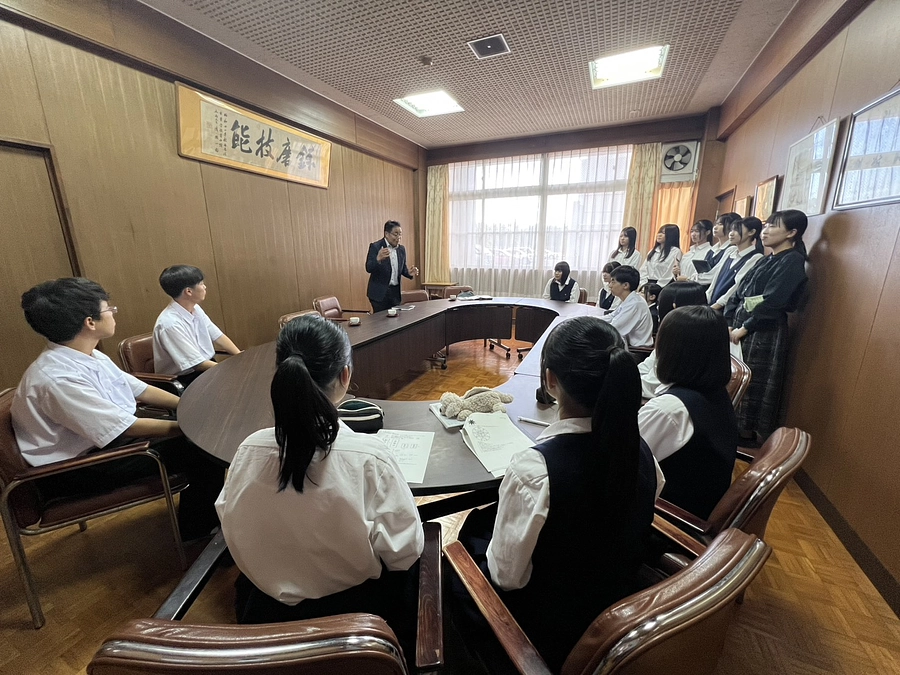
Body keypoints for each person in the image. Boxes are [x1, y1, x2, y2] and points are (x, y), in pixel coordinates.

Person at [455, 317, 660, 671]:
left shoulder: (534, 470)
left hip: (546, 631)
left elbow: (506, 578)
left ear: (550, 380)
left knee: (456, 556)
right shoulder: (640, 449)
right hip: (613, 609)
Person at [216, 315, 423, 637]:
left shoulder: (247, 450)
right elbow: (404, 553)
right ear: (345, 375)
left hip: (263, 612)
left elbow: (229, 519)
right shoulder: (369, 457)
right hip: (357, 617)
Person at [11, 277, 222, 540]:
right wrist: (193, 427)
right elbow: (125, 426)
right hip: (76, 469)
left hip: (101, 444)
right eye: (108, 309)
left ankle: (205, 518)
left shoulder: (87, 354)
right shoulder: (56, 378)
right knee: (201, 449)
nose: (112, 313)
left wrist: (190, 407)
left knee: (198, 437)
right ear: (90, 322)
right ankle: (199, 531)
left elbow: (139, 389)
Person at [639, 305, 738, 519]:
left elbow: (612, 462)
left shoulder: (669, 410)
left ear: (672, 352)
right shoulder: (715, 394)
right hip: (695, 508)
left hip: (666, 523)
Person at [724, 210, 808, 443]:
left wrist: (745, 327)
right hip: (741, 328)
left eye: (774, 226)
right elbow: (740, 291)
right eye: (766, 225)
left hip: (763, 332)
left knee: (754, 383)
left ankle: (746, 436)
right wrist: (731, 321)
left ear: (792, 233)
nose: (766, 230)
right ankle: (734, 429)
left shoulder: (792, 260)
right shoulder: (767, 258)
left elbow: (774, 300)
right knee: (735, 377)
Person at [153, 265, 241, 383]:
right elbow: (197, 364)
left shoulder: (196, 309)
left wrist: (239, 356)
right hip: (183, 379)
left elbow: (217, 336)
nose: (204, 287)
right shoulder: (170, 324)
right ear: (188, 291)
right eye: (201, 284)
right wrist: (228, 371)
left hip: (207, 367)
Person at [637, 281, 708, 399]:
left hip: (667, 399)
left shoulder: (683, 340)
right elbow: (647, 366)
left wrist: (625, 381)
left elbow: (654, 387)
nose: (658, 307)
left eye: (660, 303)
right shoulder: (677, 332)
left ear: (674, 306)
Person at [707, 217, 765, 310]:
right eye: (731, 229)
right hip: (712, 304)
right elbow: (716, 277)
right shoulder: (731, 250)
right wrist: (708, 298)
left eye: (737, 230)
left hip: (727, 308)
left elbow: (737, 286)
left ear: (751, 232)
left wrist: (717, 305)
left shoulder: (755, 257)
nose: (731, 233)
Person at [366, 220, 419, 313]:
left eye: (400, 234)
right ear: (387, 234)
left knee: (396, 321)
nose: (398, 237)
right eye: (395, 234)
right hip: (379, 293)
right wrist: (377, 259)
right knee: (381, 322)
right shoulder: (376, 247)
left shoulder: (401, 249)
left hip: (394, 293)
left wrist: (409, 273)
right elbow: (368, 268)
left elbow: (402, 269)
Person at [599, 265, 653, 348]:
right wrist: (587, 319)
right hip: (630, 346)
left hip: (636, 351)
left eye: (613, 282)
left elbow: (614, 329)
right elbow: (612, 316)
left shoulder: (635, 304)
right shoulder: (630, 299)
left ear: (625, 285)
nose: (610, 286)